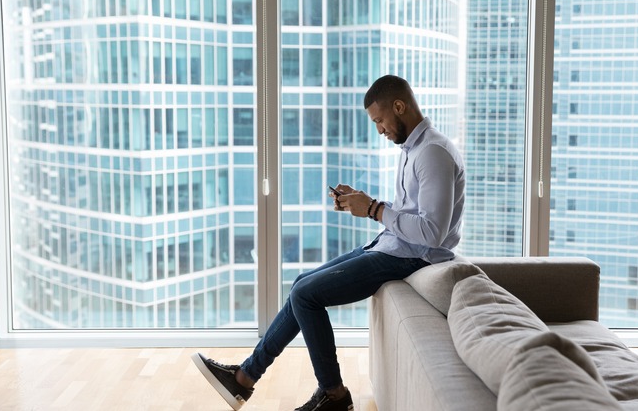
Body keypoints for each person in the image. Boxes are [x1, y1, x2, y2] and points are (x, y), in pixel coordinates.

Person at [191, 75, 465, 411]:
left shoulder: (433, 152)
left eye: (380, 120)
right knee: (301, 284)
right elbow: (412, 214)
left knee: (307, 295)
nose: (380, 129)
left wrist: (375, 210)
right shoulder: (413, 149)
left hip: (412, 258)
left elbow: (432, 233)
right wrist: (363, 203)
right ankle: (244, 379)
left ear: (399, 106)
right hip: (394, 246)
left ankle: (333, 395)